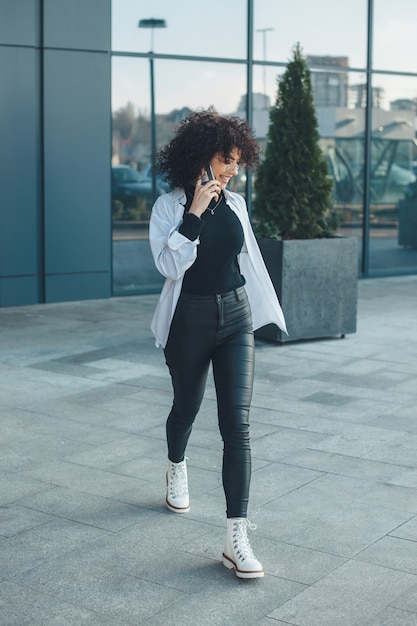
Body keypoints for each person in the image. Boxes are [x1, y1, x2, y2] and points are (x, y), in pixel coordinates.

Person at [149, 110, 287, 579]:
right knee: (185, 408)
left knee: (238, 424)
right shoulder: (168, 207)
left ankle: (235, 536)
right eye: (225, 161)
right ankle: (176, 466)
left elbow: (246, 261)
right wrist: (193, 216)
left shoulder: (237, 204)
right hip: (188, 320)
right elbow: (169, 268)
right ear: (199, 155)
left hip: (236, 319)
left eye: (236, 162)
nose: (231, 171)